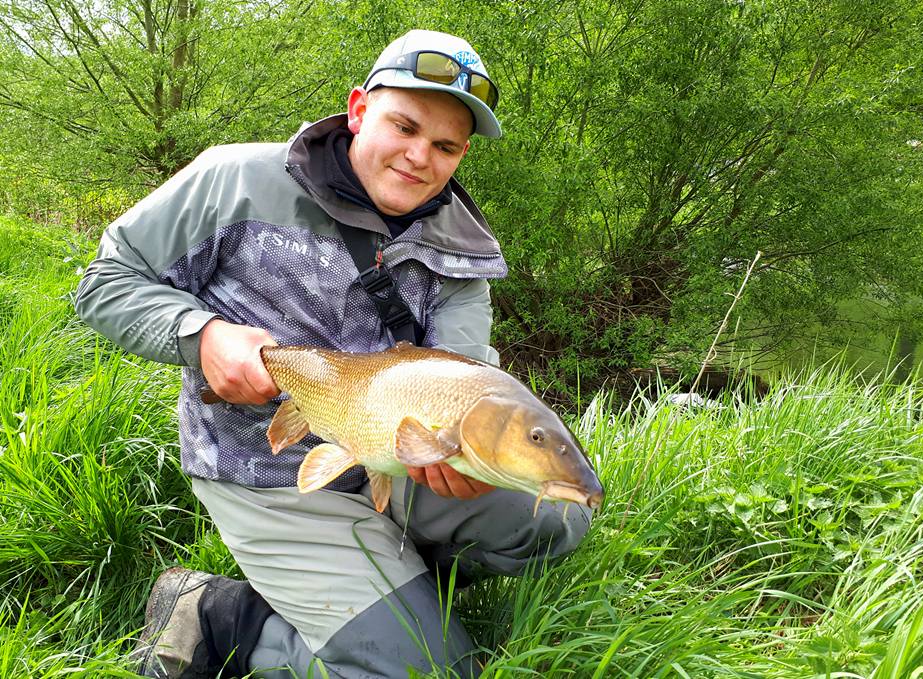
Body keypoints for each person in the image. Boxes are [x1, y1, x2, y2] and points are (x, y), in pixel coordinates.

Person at [75, 29, 592, 678]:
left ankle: (380, 588)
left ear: (461, 154)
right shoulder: (234, 179)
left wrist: (465, 452)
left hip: (392, 457)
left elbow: (459, 379)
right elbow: (105, 281)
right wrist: (200, 334)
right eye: (403, 126)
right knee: (428, 670)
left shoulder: (465, 251)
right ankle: (216, 613)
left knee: (554, 513)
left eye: (444, 146)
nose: (418, 156)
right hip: (264, 468)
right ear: (356, 111)